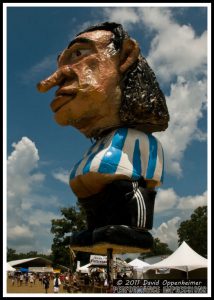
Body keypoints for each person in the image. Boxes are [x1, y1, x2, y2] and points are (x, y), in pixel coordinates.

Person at [37, 22, 169, 253]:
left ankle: (134, 230)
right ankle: (95, 228)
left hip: (127, 188)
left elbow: (149, 177)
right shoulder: (99, 145)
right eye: (62, 63)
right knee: (94, 193)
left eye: (79, 54)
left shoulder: (137, 140)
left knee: (124, 186)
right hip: (99, 189)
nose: (56, 78)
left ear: (126, 57)